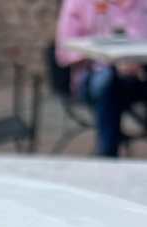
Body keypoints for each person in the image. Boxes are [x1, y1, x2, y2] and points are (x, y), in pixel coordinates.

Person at [56, 0, 147, 156]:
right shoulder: (78, 3)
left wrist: (135, 61)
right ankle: (107, 152)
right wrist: (101, 57)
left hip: (139, 73)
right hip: (96, 74)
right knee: (109, 83)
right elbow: (64, 50)